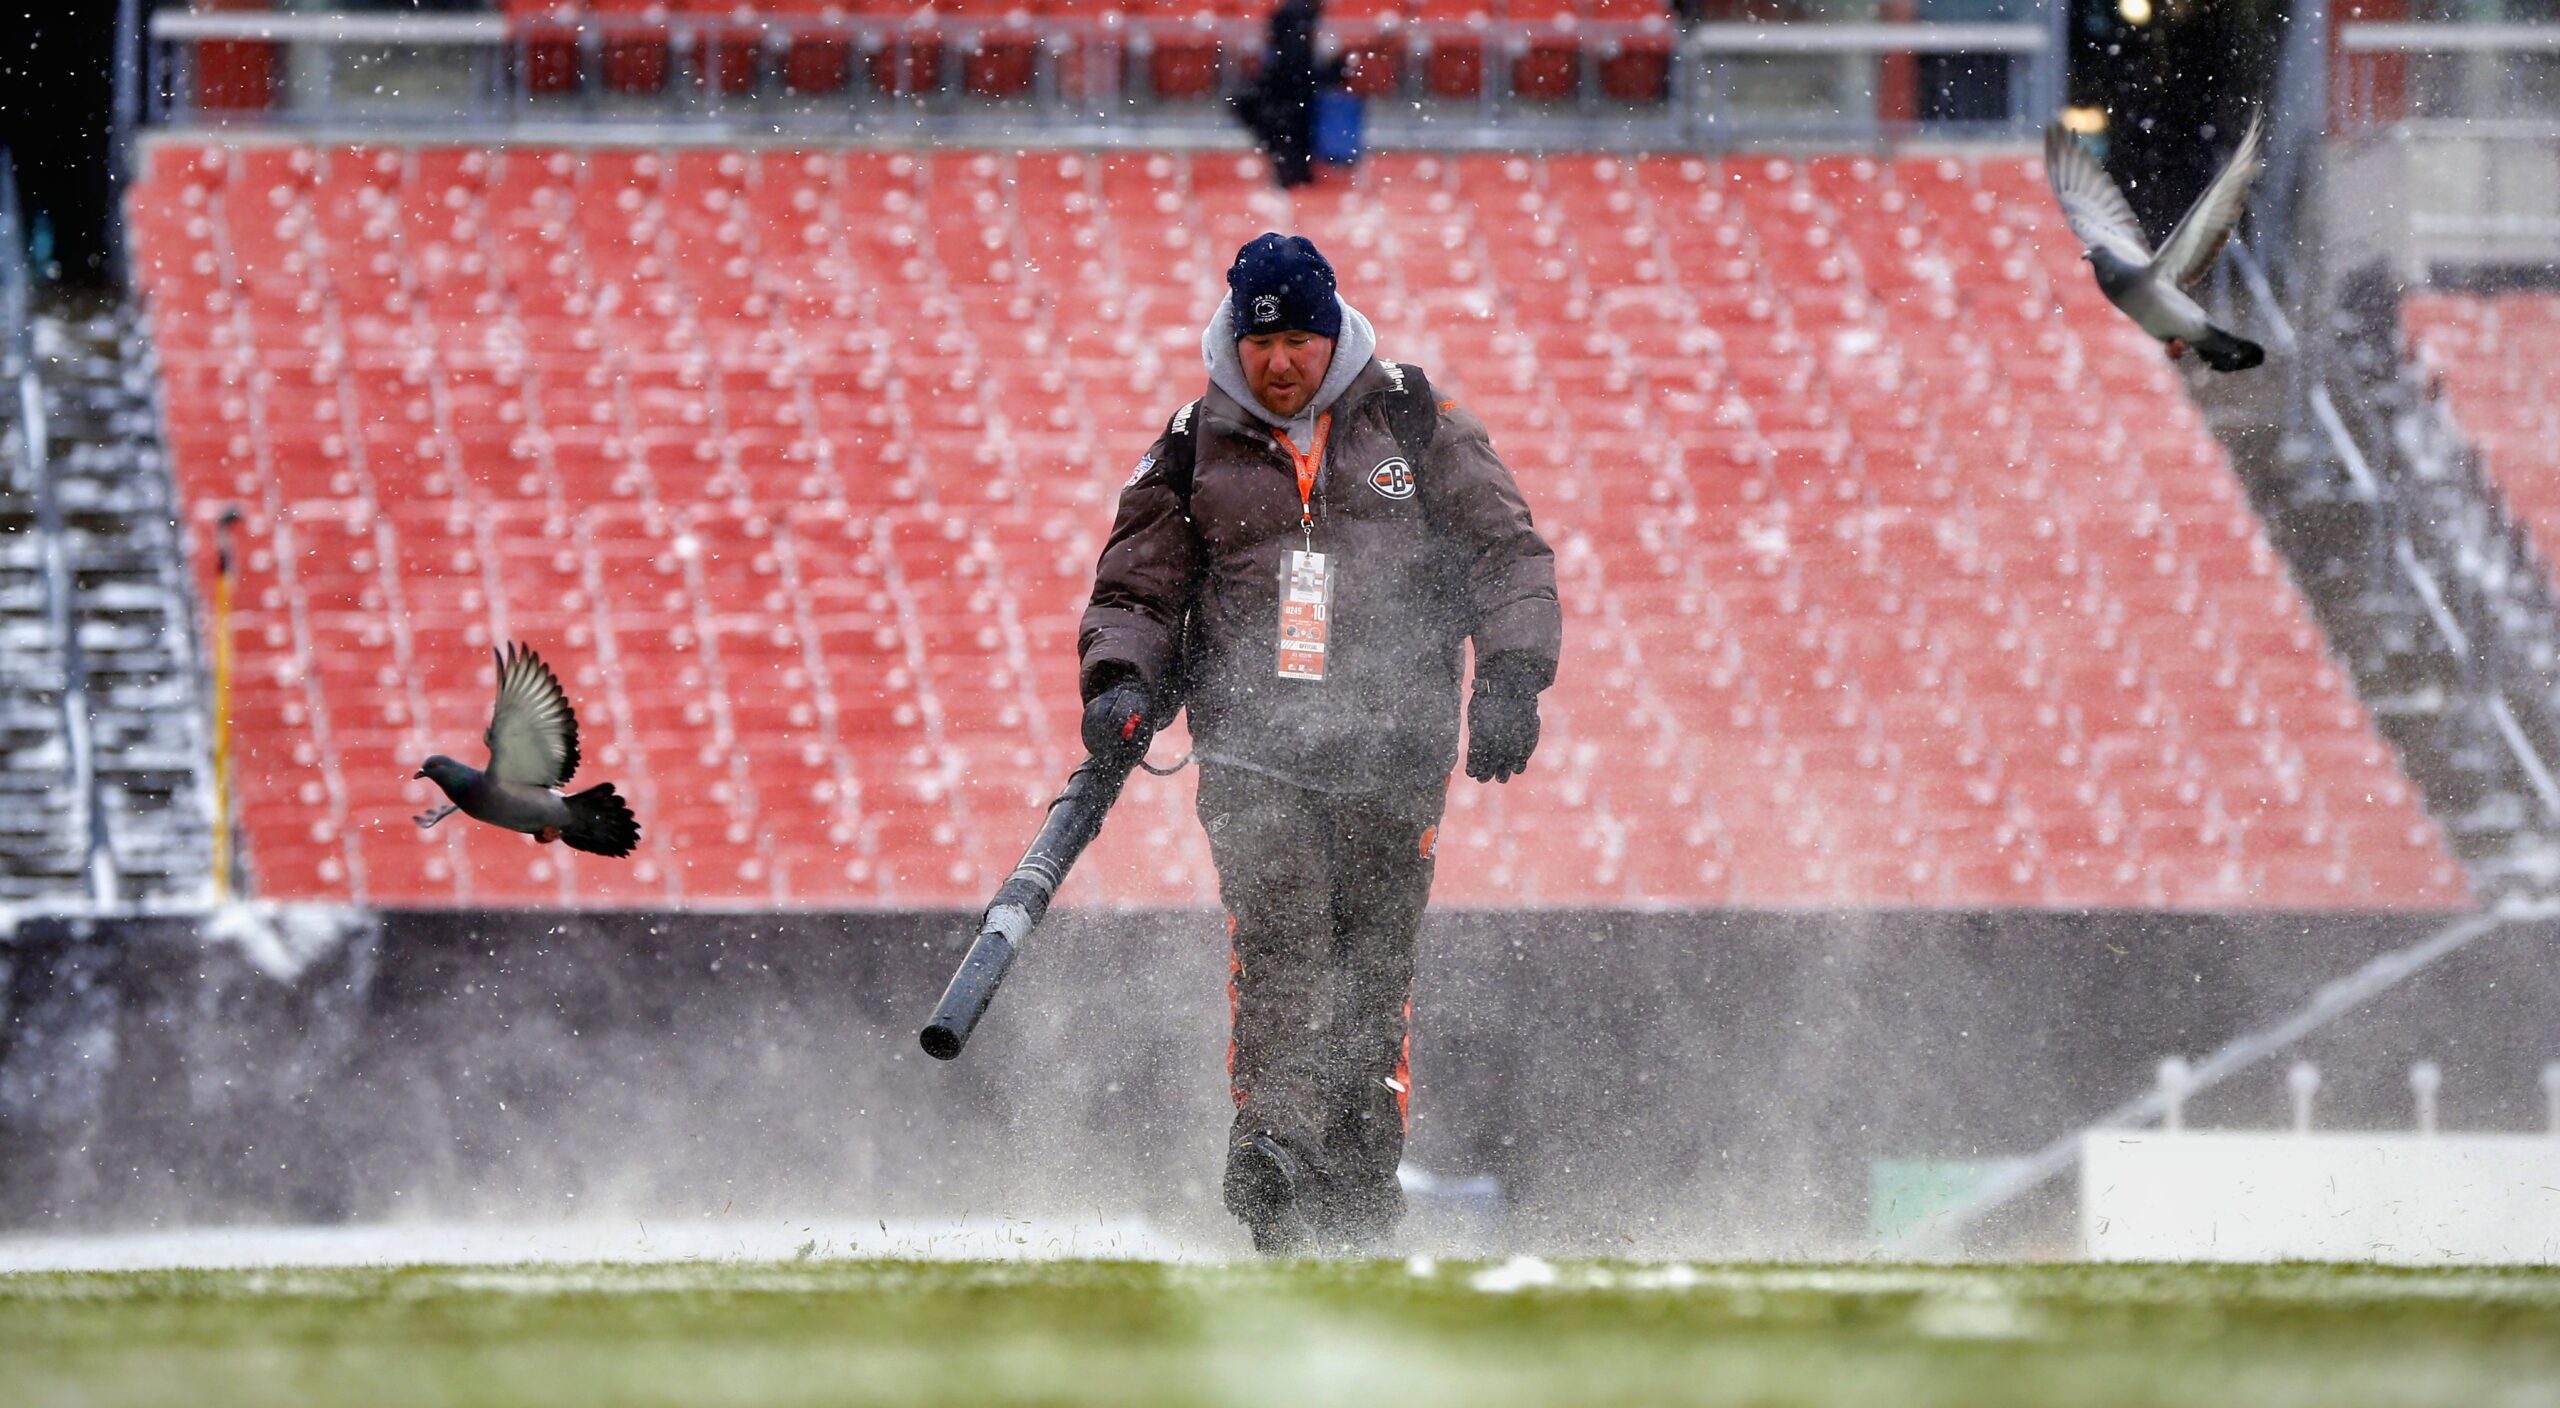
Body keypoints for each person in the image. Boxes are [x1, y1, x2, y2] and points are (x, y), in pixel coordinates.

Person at [1077, 234, 1561, 1254]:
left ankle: (1355, 1191)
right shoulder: (1189, 443)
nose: (1281, 362)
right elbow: (1136, 589)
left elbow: (1505, 552)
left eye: (1299, 338)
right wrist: (1119, 683)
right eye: (1262, 344)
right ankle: (1274, 1159)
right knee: (1285, 946)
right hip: (1254, 752)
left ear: (1332, 330)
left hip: (1395, 754)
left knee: (1372, 973)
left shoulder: (1415, 419)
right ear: (1232, 341)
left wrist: (1512, 677)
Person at [1231, 0, 1336, 189]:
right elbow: (1297, 67)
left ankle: (1291, 175)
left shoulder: (1292, 21)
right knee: (1291, 145)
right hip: (1289, 99)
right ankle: (1294, 177)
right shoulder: (1298, 22)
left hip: (1283, 96)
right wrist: (1332, 71)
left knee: (1286, 144)